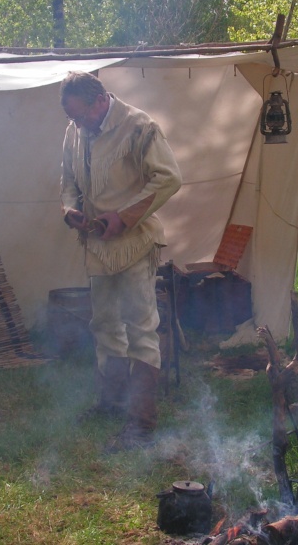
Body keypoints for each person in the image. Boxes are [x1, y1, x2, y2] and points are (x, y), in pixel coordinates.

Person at [59, 71, 181, 451]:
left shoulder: (139, 127)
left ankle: (142, 421)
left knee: (141, 328)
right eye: (73, 118)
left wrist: (124, 216)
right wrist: (70, 209)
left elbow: (169, 178)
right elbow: (67, 180)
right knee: (105, 324)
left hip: (133, 244)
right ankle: (111, 403)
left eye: (81, 115)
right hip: (97, 247)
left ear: (99, 100)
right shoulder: (74, 132)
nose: (78, 124)